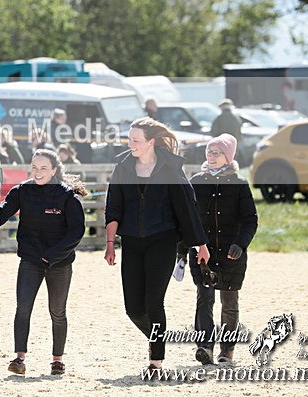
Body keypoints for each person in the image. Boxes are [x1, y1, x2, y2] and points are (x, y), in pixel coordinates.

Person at [103, 117, 210, 373]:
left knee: (154, 302)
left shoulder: (170, 169)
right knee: (133, 308)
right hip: (131, 243)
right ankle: (156, 339)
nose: (131, 144)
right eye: (129, 139)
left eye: (136, 140)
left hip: (162, 241)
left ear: (151, 142)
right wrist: (109, 243)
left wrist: (200, 243)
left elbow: (186, 208)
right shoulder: (123, 167)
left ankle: (156, 361)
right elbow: (113, 208)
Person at [0, 148, 86, 376]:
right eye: (34, 167)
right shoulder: (21, 191)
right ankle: (19, 358)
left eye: (43, 168)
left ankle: (57, 360)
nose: (38, 172)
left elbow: (76, 233)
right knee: (23, 308)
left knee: (57, 311)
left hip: (59, 263)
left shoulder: (67, 197)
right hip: (30, 261)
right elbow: (0, 217)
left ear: (54, 170)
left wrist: (51, 256)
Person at [184, 133, 258, 365]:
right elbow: (188, 218)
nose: (211, 156)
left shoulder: (239, 184)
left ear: (228, 157)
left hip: (230, 253)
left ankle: (227, 350)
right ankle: (204, 347)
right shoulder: (196, 181)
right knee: (204, 300)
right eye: (209, 151)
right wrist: (182, 250)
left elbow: (250, 220)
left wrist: (240, 244)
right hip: (203, 251)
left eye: (217, 152)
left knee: (229, 302)